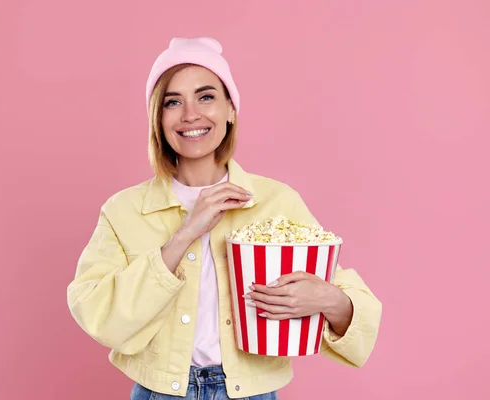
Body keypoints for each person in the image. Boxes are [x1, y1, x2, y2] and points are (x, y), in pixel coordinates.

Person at [66, 37, 382, 400]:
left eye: (206, 96)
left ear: (231, 109)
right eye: (173, 102)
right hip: (160, 393)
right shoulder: (123, 210)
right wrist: (184, 235)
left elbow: (349, 304)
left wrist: (330, 299)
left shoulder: (276, 203)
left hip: (253, 393)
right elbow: (97, 313)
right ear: (158, 117)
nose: (190, 115)